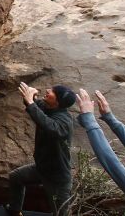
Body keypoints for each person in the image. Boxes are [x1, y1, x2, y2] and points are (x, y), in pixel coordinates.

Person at [6, 82, 76, 216]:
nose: (48, 90)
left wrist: (31, 103)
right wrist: (29, 97)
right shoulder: (48, 107)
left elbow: (50, 126)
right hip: (41, 168)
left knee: (61, 213)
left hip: (58, 177)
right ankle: (15, 210)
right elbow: (34, 108)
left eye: (52, 92)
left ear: (57, 102)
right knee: (15, 177)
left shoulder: (65, 121)